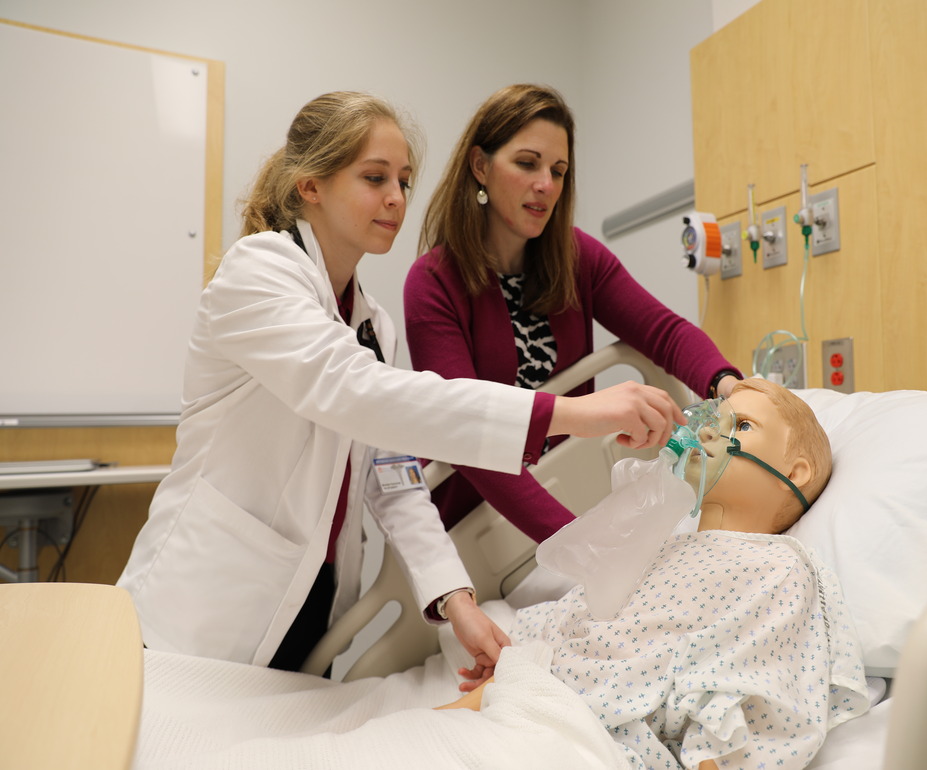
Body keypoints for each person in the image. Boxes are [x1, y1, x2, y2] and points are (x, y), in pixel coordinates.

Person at [117, 92, 687, 678]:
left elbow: (394, 477)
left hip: (311, 606)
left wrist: (455, 599)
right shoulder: (257, 273)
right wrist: (573, 413)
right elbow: (361, 394)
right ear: (310, 185)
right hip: (206, 611)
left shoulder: (371, 324)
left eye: (405, 181)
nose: (395, 198)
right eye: (374, 177)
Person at [438, 379, 870, 770]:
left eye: (741, 427)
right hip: (535, 692)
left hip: (602, 731)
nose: (706, 433)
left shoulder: (777, 567)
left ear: (795, 474)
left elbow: (752, 686)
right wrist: (516, 660)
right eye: (713, 421)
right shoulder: (663, 545)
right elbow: (580, 617)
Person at [404, 83, 743, 544]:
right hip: (481, 530)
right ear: (480, 166)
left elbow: (665, 333)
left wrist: (731, 387)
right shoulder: (432, 284)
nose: (546, 185)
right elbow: (469, 434)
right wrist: (575, 541)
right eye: (527, 163)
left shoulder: (577, 259)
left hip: (575, 492)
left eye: (559, 170)